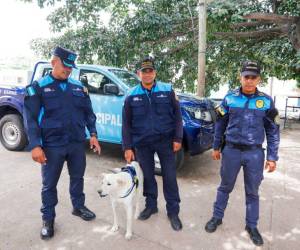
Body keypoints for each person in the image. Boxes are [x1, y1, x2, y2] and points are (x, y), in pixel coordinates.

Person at [24, 46, 101, 240]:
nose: (68, 70)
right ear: (54, 63)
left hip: (76, 143)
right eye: (65, 66)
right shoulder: (38, 87)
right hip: (52, 146)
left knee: (78, 177)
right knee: (49, 185)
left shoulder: (78, 87)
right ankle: (48, 219)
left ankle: (78, 206)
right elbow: (31, 119)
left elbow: (88, 113)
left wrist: (93, 134)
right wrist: (35, 145)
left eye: (70, 67)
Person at [205, 61, 280, 246]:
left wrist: (272, 157)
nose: (249, 80)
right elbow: (220, 124)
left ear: (258, 79)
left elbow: (273, 131)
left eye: (253, 77)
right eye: (246, 76)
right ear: (241, 77)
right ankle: (217, 217)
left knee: (252, 191)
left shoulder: (266, 101)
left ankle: (252, 226)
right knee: (225, 187)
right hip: (231, 151)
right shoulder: (229, 98)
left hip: (254, 154)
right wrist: (216, 147)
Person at [122, 57, 183, 231]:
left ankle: (173, 211)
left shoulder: (168, 90)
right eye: (144, 72)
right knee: (148, 176)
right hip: (143, 143)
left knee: (170, 176)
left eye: (150, 71)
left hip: (165, 142)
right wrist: (127, 147)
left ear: (155, 73)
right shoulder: (131, 94)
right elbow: (126, 123)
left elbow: (178, 116)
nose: (147, 74)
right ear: (138, 74)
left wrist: (178, 138)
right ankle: (151, 206)